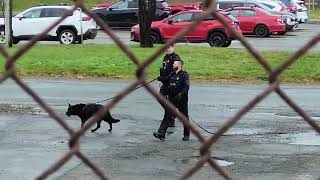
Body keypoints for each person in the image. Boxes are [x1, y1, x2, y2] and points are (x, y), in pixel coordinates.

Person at [154, 59, 190, 141]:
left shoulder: (184, 75)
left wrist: (181, 94)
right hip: (172, 99)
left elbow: (186, 87)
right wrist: (161, 78)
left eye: (175, 64)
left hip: (181, 100)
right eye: (173, 64)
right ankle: (161, 133)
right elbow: (166, 80)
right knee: (167, 116)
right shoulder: (172, 74)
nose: (173, 65)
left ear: (179, 65)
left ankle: (186, 134)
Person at [157, 44, 181, 128]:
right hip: (165, 82)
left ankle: (171, 119)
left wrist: (165, 78)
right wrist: (161, 79)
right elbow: (163, 69)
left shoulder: (176, 58)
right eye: (166, 47)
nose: (168, 49)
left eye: (169, 47)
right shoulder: (166, 57)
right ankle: (172, 114)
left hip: (172, 83)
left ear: (173, 48)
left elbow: (176, 71)